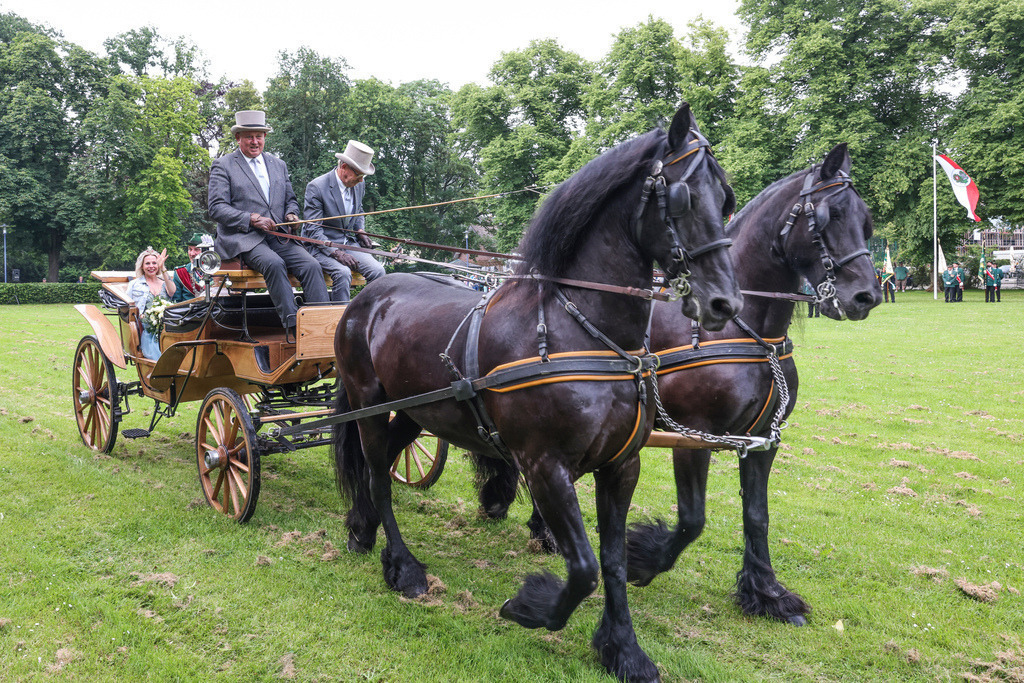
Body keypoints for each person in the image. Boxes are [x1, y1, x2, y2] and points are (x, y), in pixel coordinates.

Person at [207, 110, 328, 334]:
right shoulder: (223, 165)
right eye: (249, 136)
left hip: (278, 236)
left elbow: (290, 200)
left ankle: (321, 327)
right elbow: (216, 208)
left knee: (312, 266)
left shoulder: (278, 164)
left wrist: (291, 215)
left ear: (265, 137)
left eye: (259, 136)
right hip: (244, 238)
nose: (255, 141)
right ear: (238, 138)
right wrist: (250, 219)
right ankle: (294, 328)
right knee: (274, 264)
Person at [302, 140, 386, 303]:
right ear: (344, 167)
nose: (361, 180)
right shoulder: (317, 187)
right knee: (343, 273)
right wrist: (336, 253)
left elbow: (359, 210)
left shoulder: (359, 185)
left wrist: (360, 230)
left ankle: (368, 319)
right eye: (359, 175)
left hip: (348, 243)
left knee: (378, 271)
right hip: (320, 247)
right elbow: (313, 230)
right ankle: (340, 323)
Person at [127, 247, 175, 360]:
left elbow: (172, 291)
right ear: (142, 266)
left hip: (168, 326)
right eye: (147, 263)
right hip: (147, 328)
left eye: (154, 263)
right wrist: (140, 316)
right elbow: (127, 306)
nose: (151, 266)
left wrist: (163, 267)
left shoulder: (164, 283)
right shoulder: (135, 284)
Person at [171, 232, 214, 303]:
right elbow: (176, 303)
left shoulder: (215, 271)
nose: (192, 254)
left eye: (196, 249)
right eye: (190, 249)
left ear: (206, 251)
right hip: (188, 312)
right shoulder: (180, 272)